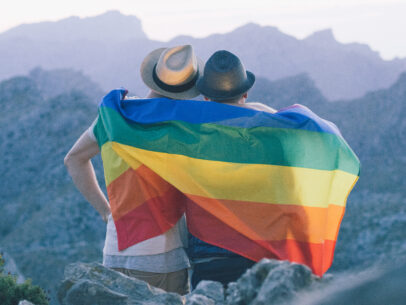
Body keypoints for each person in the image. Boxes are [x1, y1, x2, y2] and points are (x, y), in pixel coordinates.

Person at [64, 45, 203, 295]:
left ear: (154, 76)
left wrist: (105, 211)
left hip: (115, 253)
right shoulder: (184, 125)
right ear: (187, 88)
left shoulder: (114, 116)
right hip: (163, 259)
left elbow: (73, 159)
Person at [187, 50, 277, 289]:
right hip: (254, 251)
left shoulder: (190, 132)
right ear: (245, 94)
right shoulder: (266, 128)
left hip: (207, 254)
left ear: (206, 97)